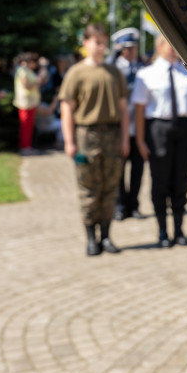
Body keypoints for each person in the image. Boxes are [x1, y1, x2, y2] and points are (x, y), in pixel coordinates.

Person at [60, 24, 130, 256]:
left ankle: (107, 236)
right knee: (89, 189)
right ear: (86, 43)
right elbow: (67, 109)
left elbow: (123, 109)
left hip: (112, 134)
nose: (101, 46)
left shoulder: (114, 72)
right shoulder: (76, 73)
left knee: (110, 188)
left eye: (103, 42)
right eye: (97, 42)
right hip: (86, 136)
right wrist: (69, 142)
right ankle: (91, 238)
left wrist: (125, 139)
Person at [132, 34, 187, 248]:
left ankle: (179, 229)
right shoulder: (147, 74)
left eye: (176, 44)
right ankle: (163, 231)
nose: (173, 49)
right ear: (159, 46)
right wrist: (140, 141)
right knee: (160, 183)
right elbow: (139, 110)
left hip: (184, 130)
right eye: (168, 44)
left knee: (181, 183)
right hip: (158, 131)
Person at [109, 27, 146, 220]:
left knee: (137, 169)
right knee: (119, 170)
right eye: (130, 48)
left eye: (134, 47)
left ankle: (134, 204)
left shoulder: (142, 68)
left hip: (138, 128)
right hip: (119, 128)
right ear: (122, 49)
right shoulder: (114, 70)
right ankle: (119, 205)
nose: (133, 51)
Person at [14, 52, 44, 154]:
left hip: (30, 101)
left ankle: (27, 146)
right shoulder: (22, 71)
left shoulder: (27, 70)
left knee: (29, 125)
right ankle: (25, 147)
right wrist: (37, 82)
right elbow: (26, 85)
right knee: (26, 125)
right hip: (25, 102)